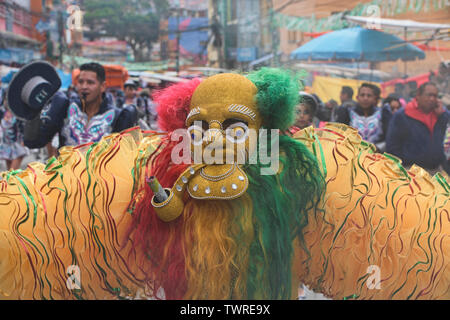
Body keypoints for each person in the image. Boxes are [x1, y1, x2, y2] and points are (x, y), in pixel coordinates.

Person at [0, 68, 449, 301]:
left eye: (233, 126)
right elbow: (167, 214)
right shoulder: (180, 168)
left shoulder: (283, 166)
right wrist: (162, 199)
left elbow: (322, 217)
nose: (213, 137)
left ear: (260, 128)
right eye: (201, 127)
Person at [23, 62, 137, 149]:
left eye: (90, 83)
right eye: (81, 82)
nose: (84, 86)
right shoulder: (64, 108)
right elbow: (35, 142)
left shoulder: (118, 116)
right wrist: (34, 112)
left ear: (103, 87)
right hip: (66, 178)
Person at [386, 82, 449, 175]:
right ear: (418, 96)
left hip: (434, 170)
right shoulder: (403, 115)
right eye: (429, 95)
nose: (432, 99)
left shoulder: (439, 114)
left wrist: (443, 115)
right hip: (410, 171)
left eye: (435, 96)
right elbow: (392, 146)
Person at [336, 83, 391, 152]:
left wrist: (378, 148)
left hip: (376, 157)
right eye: (362, 95)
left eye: (369, 95)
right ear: (357, 97)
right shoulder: (347, 113)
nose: (365, 98)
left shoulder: (382, 114)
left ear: (374, 98)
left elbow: (389, 137)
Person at [0, 98, 28, 170]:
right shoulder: (2, 113)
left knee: (13, 172)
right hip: (6, 145)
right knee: (9, 174)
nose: (7, 102)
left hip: (17, 145)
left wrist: (23, 140)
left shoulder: (18, 114)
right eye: (6, 99)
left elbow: (23, 128)